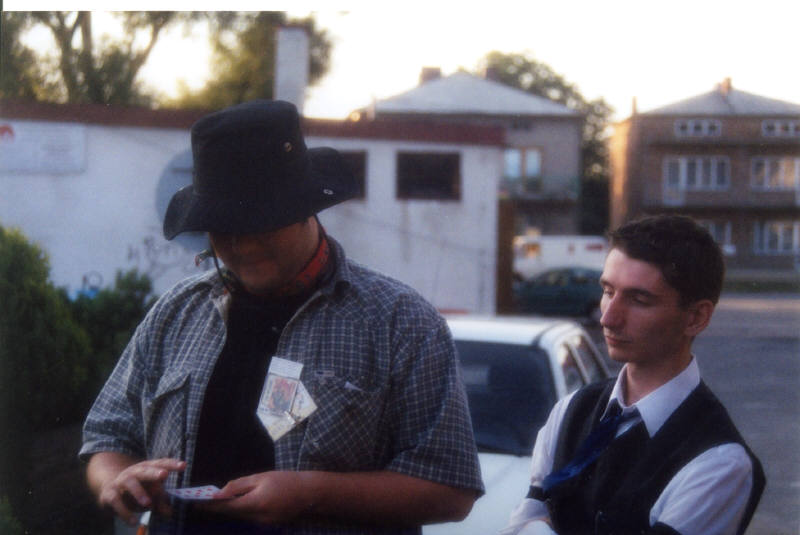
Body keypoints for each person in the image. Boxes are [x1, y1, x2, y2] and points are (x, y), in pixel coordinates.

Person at [80, 99, 483, 534]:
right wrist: (116, 479)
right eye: (223, 228)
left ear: (305, 208)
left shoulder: (401, 323)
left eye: (260, 224)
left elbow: (451, 489)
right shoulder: (175, 313)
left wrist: (311, 493)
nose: (242, 246)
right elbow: (107, 438)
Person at [500, 214, 765, 535]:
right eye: (608, 291)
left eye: (639, 300)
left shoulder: (720, 461)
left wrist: (539, 527)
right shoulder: (570, 410)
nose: (608, 318)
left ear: (696, 317)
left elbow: (527, 524)